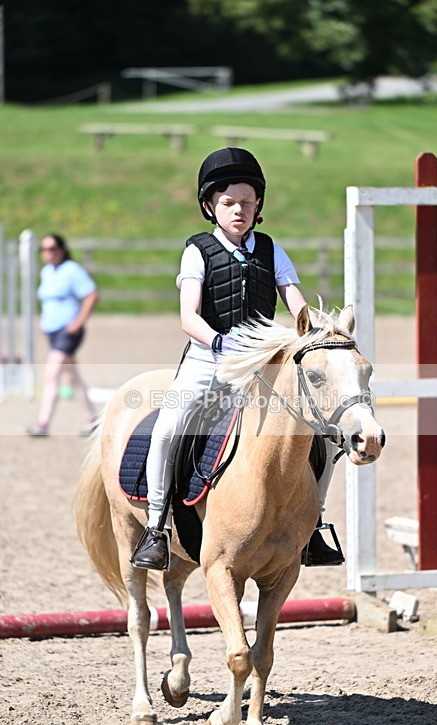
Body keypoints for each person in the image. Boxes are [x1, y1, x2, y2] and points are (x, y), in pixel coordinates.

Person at [132, 147, 342, 570]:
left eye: (247, 202)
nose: (239, 210)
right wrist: (220, 343)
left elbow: (296, 302)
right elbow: (188, 316)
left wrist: (317, 331)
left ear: (258, 205)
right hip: (209, 361)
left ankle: (314, 524)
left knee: (327, 434)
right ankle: (157, 527)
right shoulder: (198, 251)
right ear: (210, 206)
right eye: (229, 203)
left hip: (259, 368)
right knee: (168, 427)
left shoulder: (270, 249)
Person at [26, 233, 98, 437]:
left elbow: (91, 295)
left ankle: (43, 424)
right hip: (53, 331)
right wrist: (44, 320)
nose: (47, 253)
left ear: (61, 250)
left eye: (51, 249)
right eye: (43, 249)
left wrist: (79, 322)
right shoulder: (47, 272)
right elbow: (47, 300)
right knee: (72, 376)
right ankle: (93, 419)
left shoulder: (72, 271)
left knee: (51, 373)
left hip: (68, 331)